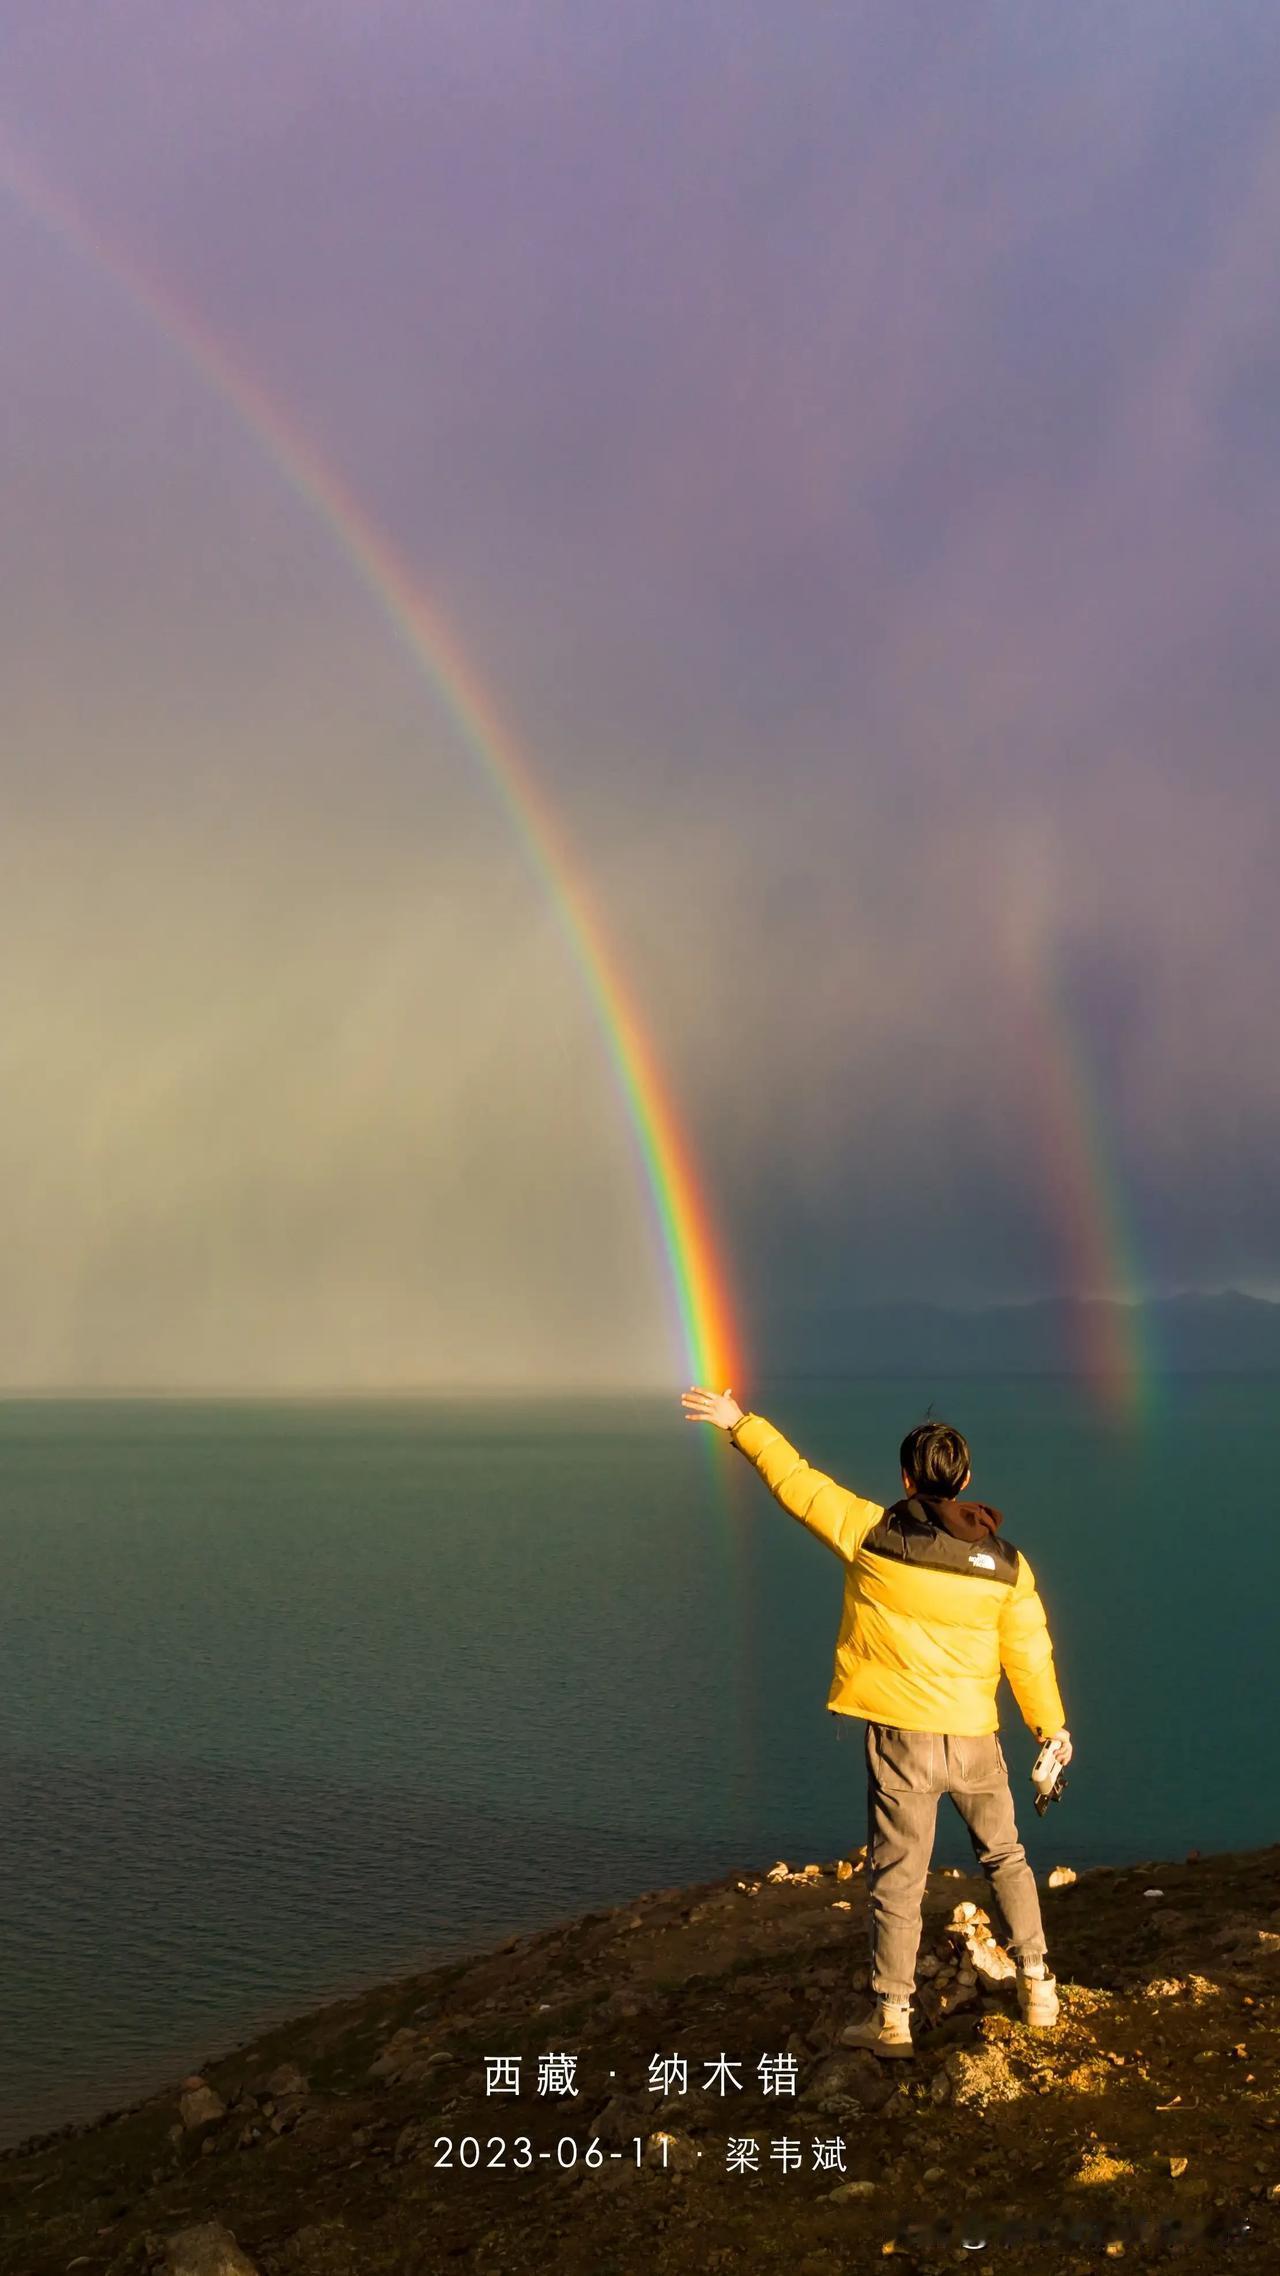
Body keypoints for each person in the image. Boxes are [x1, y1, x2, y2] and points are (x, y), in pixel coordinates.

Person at [681, 1384, 1072, 2059]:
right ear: (966, 1480)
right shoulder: (1008, 1567)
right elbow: (1030, 1655)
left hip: (902, 1741)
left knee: (899, 1879)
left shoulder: (872, 1536)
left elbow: (797, 1484)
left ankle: (892, 2020)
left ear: (906, 1478)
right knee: (1006, 1858)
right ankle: (1037, 1985)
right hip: (977, 1738)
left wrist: (739, 1422)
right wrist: (1050, 1729)